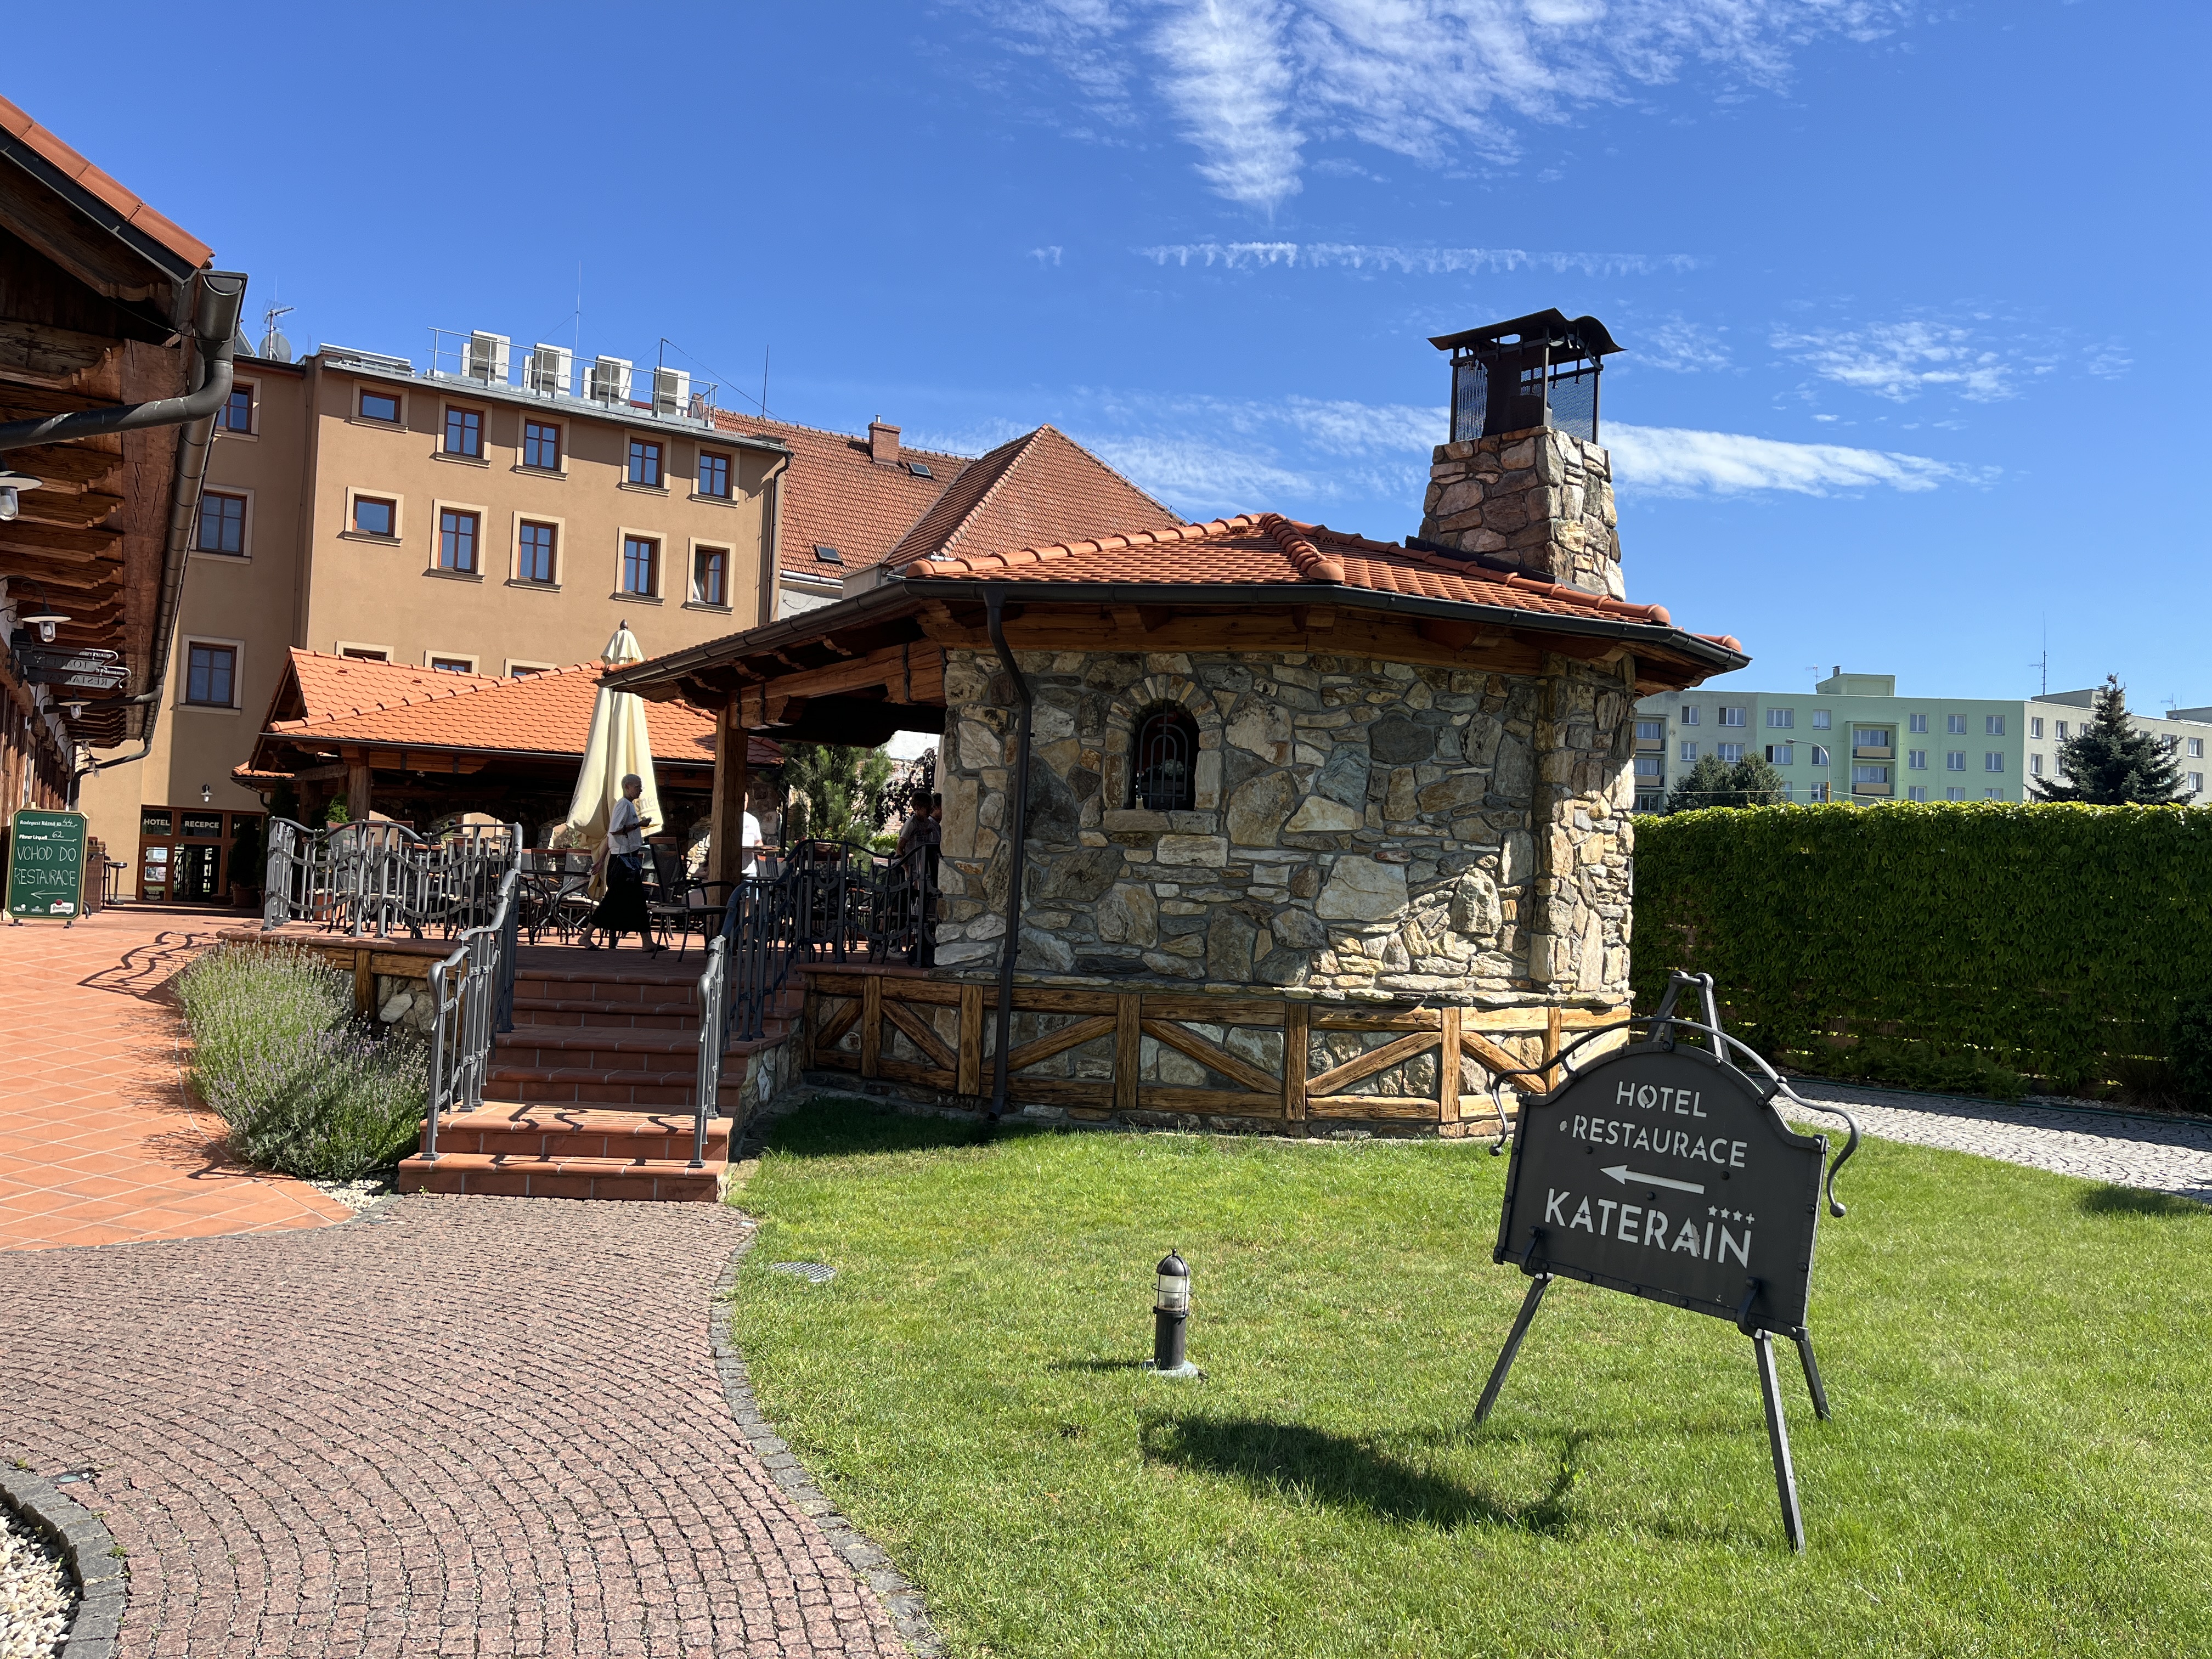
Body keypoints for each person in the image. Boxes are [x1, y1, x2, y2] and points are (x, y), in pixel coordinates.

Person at [582, 773, 659, 953]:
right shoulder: (623, 805)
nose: (641, 790)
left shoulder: (629, 806)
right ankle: (586, 936)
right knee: (613, 899)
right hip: (623, 861)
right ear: (627, 787)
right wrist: (639, 825)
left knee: (638, 900)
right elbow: (615, 831)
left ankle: (647, 942)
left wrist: (601, 860)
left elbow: (611, 838)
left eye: (640, 786)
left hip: (628, 858)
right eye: (637, 786)